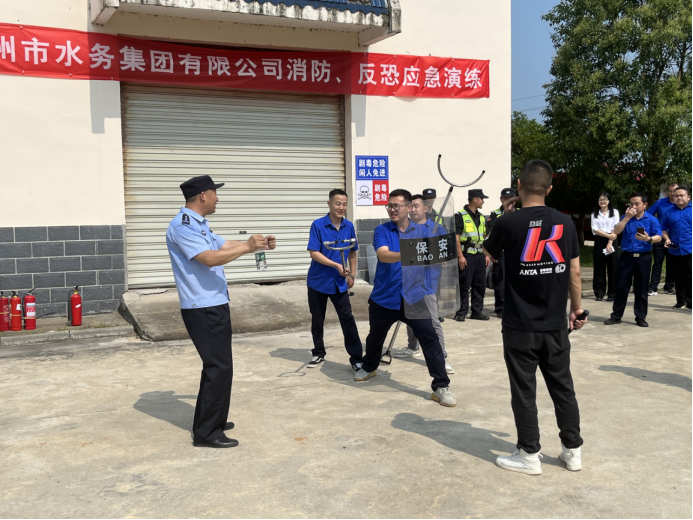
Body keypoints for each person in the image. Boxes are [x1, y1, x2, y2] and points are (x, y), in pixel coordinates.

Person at [483, 160, 587, 476]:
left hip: (519, 325)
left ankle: (529, 453)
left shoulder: (507, 223)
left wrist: (506, 213)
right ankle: (572, 451)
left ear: (519, 185)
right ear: (550, 188)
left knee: (524, 391)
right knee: (563, 388)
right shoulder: (565, 223)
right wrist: (576, 309)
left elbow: (488, 254)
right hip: (555, 324)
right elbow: (575, 272)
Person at [166, 175, 276, 449]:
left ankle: (212, 419)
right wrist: (247, 247)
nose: (218, 197)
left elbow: (222, 245)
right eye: (215, 192)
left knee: (218, 367)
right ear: (203, 195)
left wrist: (258, 244)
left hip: (213, 302)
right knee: (218, 367)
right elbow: (208, 258)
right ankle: (207, 433)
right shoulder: (182, 225)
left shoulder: (199, 224)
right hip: (202, 306)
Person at [354, 189, 456, 408]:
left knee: (430, 339)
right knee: (375, 337)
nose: (392, 209)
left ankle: (441, 386)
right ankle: (369, 367)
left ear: (409, 207)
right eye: (389, 205)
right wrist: (414, 252)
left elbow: (443, 252)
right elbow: (383, 255)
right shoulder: (382, 230)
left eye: (396, 205)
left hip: (415, 296)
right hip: (385, 296)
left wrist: (438, 254)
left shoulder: (424, 231)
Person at [394, 194, 455, 375]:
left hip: (427, 282)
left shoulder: (437, 229)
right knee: (410, 316)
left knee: (432, 320)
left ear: (426, 208)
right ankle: (413, 347)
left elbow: (446, 255)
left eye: (416, 206)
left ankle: (441, 357)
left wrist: (432, 254)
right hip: (408, 281)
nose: (412, 209)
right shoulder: (406, 228)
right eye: (410, 206)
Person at [306, 189, 363, 371]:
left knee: (347, 319)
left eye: (344, 204)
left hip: (339, 283)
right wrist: (336, 265)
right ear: (329, 203)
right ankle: (318, 353)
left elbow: (352, 251)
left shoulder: (349, 226)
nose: (341, 207)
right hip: (318, 281)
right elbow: (314, 253)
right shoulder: (318, 225)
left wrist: (352, 274)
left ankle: (356, 358)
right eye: (338, 203)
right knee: (318, 319)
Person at [605, 193, 662, 328]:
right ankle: (616, 316)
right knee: (621, 287)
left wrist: (648, 239)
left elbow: (659, 237)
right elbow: (616, 231)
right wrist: (626, 218)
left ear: (645, 205)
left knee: (641, 288)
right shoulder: (626, 217)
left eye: (637, 203)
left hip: (643, 257)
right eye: (631, 204)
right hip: (626, 257)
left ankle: (640, 317)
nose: (633, 206)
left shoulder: (651, 219)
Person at [454, 189, 491, 322]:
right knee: (464, 284)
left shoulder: (481, 217)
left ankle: (477, 311)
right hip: (466, 255)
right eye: (482, 199)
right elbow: (456, 238)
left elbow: (484, 238)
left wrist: (486, 255)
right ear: (475, 199)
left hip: (480, 255)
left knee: (480, 284)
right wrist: (460, 256)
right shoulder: (460, 216)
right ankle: (461, 311)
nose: (483, 201)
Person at [487, 188, 517, 317]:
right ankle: (500, 308)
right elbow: (490, 234)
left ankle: (514, 306)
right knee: (500, 280)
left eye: (511, 198)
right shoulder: (495, 214)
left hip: (516, 253)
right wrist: (492, 253)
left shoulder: (520, 213)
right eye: (505, 198)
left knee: (516, 280)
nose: (508, 201)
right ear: (501, 199)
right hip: (501, 253)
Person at [662, 186, 692, 310]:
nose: (679, 197)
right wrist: (666, 238)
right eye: (676, 195)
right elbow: (663, 229)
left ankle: (690, 302)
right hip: (674, 249)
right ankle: (680, 301)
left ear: (688, 197)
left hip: (690, 249)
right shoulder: (668, 212)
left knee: (691, 276)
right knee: (678, 277)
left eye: (682, 195)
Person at [647, 183, 679, 296]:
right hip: (660, 236)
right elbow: (648, 214)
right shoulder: (660, 203)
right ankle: (653, 287)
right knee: (657, 262)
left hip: (674, 237)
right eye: (670, 191)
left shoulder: (681, 204)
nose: (672, 193)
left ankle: (669, 286)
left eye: (674, 191)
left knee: (672, 263)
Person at [591, 192, 621, 302]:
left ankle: (612, 293)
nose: (602, 201)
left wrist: (610, 241)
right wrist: (608, 236)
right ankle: (599, 293)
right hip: (600, 240)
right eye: (600, 200)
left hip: (612, 239)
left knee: (613, 266)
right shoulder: (594, 213)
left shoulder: (615, 212)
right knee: (599, 267)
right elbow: (595, 229)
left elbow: (616, 227)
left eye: (605, 199)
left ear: (608, 201)